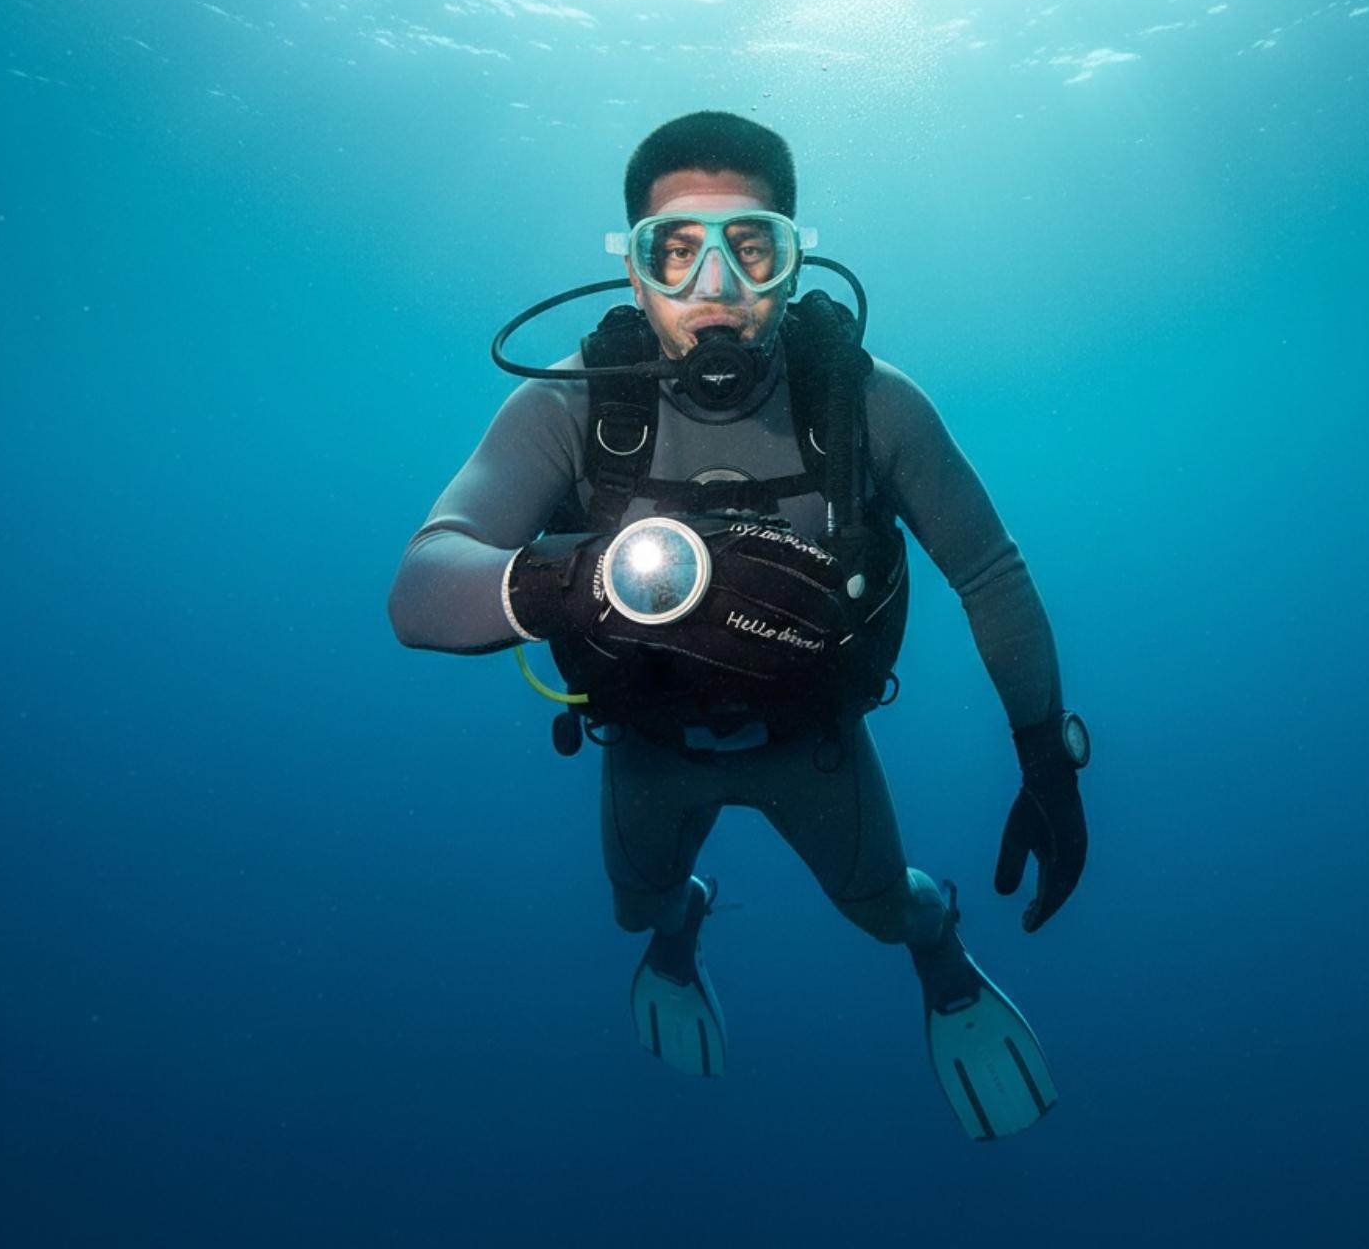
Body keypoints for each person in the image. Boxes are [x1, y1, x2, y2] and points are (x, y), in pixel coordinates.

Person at [388, 111, 1090, 1139]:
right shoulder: (570, 408)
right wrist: (588, 583)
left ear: (793, 262)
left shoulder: (868, 405)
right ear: (634, 274)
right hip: (649, 750)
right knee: (637, 907)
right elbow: (419, 587)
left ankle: (938, 945)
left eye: (750, 247)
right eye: (674, 251)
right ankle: (682, 921)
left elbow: (989, 571)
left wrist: (1046, 761)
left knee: (883, 910)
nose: (713, 286)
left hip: (813, 746)